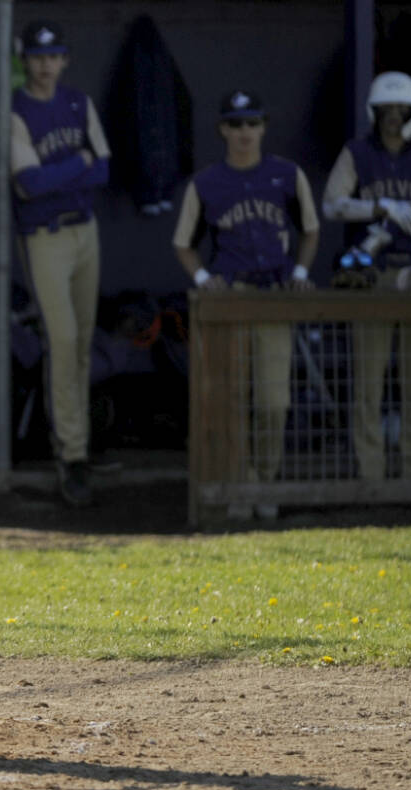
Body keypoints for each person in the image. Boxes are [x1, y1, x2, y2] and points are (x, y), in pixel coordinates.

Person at [172, 89, 319, 519]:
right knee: (231, 397)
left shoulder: (287, 175)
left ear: (263, 127)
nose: (244, 132)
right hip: (231, 299)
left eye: (252, 123)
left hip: (274, 296)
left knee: (274, 400)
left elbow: (310, 229)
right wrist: (203, 278)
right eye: (236, 124)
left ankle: (266, 482)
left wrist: (300, 274)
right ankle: (240, 484)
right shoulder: (206, 183)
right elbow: (182, 244)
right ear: (222, 129)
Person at [10, 20, 111, 507]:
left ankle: (81, 445)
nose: (45, 65)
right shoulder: (16, 108)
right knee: (64, 340)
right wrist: (78, 166)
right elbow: (28, 184)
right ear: (24, 60)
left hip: (85, 230)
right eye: (37, 56)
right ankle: (70, 454)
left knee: (84, 343)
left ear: (64, 59)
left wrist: (65, 175)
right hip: (45, 238)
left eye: (53, 56)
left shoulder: (78, 103)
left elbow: (106, 168)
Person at [322, 71, 411, 481]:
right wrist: (381, 208)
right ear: (374, 112)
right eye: (385, 110)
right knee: (368, 383)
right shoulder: (357, 152)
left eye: (400, 110)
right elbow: (332, 205)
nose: (393, 117)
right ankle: (370, 475)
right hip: (370, 276)